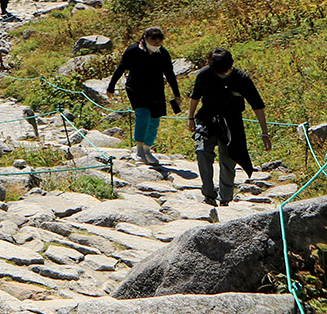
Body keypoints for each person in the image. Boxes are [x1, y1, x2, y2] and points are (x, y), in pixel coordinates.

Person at [184, 48, 271, 206]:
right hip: (207, 119)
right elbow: (195, 96)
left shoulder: (241, 78)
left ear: (232, 65)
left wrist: (265, 132)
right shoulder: (204, 75)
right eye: (219, 72)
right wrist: (190, 118)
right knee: (202, 151)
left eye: (226, 71)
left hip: (232, 122)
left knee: (228, 159)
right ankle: (209, 194)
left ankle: (225, 198)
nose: (223, 74)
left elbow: (257, 105)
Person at [105, 26, 182, 166]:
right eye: (153, 40)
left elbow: (170, 74)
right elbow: (121, 68)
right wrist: (111, 87)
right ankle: (139, 150)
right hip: (136, 88)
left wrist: (177, 95)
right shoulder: (133, 50)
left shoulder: (163, 53)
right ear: (145, 38)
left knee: (154, 121)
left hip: (156, 90)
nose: (156, 43)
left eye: (160, 41)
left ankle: (148, 150)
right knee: (143, 115)